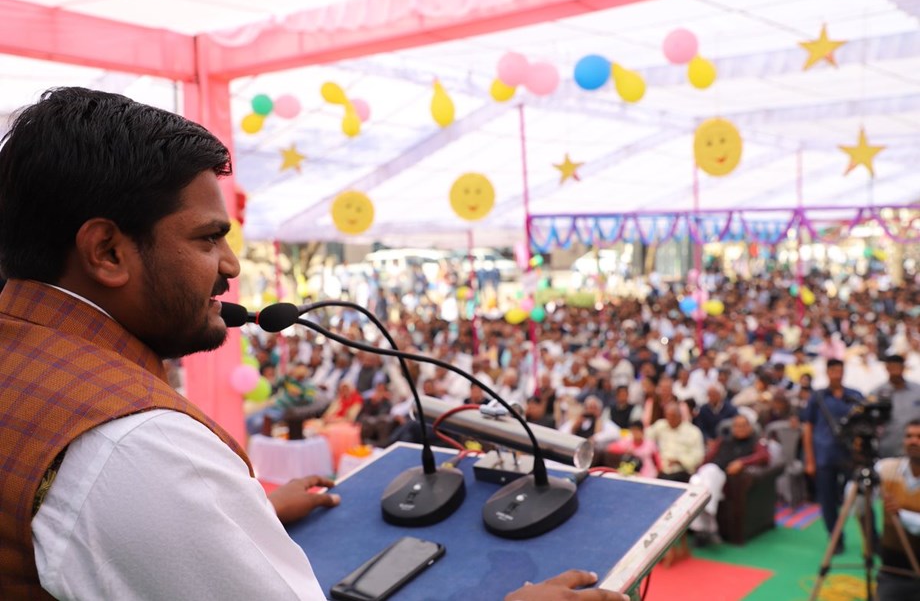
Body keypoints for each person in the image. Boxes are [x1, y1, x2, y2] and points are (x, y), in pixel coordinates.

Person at [0, 88, 625, 601]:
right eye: (206, 238)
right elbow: (128, 487)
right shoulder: (141, 447)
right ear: (108, 251)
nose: (230, 265)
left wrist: (230, 519)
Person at [802, 358, 865, 553]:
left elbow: (864, 425)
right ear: (827, 373)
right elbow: (808, 429)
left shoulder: (854, 396)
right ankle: (836, 537)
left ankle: (871, 538)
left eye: (839, 370)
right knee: (827, 500)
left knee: (861, 497)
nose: (836, 374)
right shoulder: (817, 397)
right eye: (833, 371)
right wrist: (810, 459)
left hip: (851, 456)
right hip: (824, 456)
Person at [688, 415, 770, 545]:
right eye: (737, 426)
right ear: (732, 428)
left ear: (750, 427)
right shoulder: (723, 440)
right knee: (696, 480)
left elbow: (764, 456)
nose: (740, 429)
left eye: (744, 425)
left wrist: (742, 462)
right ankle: (709, 527)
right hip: (708, 472)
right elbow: (709, 457)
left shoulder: (756, 441)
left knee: (705, 480)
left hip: (723, 477)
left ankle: (704, 526)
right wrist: (698, 468)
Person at [876, 419, 920, 599]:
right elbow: (854, 497)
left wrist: (900, 514)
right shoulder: (885, 469)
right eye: (909, 436)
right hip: (893, 570)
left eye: (919, 437)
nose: (913, 441)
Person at [647, 403, 705, 483]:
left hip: (682, 471)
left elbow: (698, 457)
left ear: (680, 416)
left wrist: (679, 460)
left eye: (673, 417)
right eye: (668, 416)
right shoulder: (661, 425)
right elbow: (644, 437)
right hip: (660, 469)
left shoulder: (693, 432)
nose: (670, 420)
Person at [877, 354, 920, 459]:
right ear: (887, 368)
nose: (895, 371)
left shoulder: (917, 391)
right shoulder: (877, 393)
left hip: (916, 453)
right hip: (888, 450)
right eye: (892, 367)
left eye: (898, 367)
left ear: (903, 368)